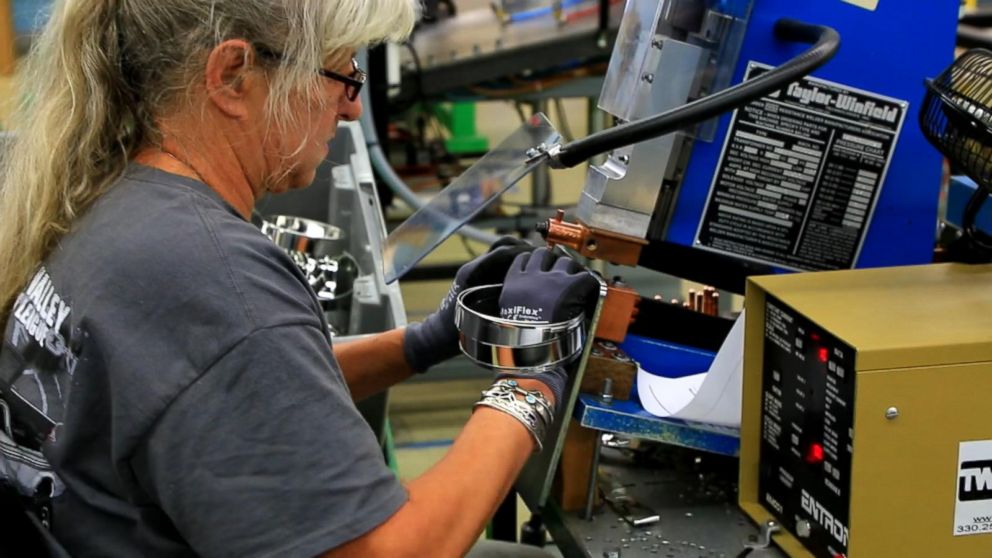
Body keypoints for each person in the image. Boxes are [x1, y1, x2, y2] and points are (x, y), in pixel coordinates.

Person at [0, 1, 601, 557]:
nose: (353, 107)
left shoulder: (116, 200)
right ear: (234, 76)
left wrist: (427, 341)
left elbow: (231, 395)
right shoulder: (206, 273)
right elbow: (389, 552)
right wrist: (530, 377)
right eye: (342, 76)